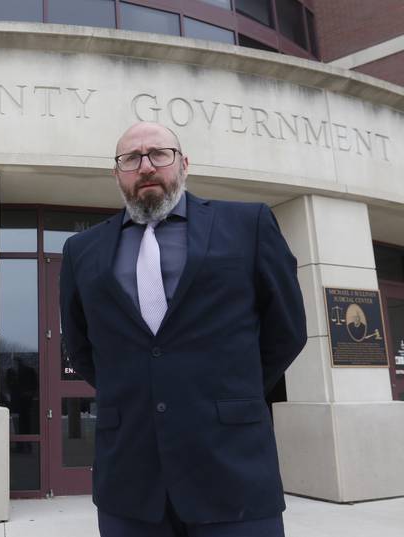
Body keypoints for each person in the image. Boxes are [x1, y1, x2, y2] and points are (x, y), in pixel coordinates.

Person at [59, 122, 307, 537]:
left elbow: (287, 330)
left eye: (159, 153)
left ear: (184, 163)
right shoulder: (81, 251)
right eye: (131, 158)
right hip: (130, 480)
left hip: (234, 473)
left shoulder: (250, 225)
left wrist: (231, 391)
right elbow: (82, 346)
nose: (146, 166)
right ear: (116, 174)